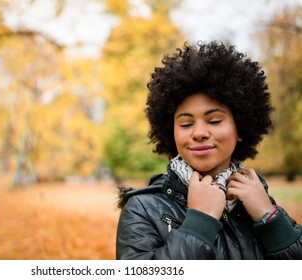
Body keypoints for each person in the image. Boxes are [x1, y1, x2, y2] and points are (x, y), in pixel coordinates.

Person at [116, 41, 302, 260]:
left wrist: (269, 218)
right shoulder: (143, 209)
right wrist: (199, 222)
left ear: (240, 128)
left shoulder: (259, 199)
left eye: (214, 120)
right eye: (186, 124)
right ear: (171, 132)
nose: (199, 132)